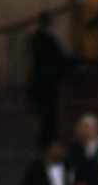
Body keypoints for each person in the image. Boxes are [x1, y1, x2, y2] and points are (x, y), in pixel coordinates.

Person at [27, 11, 71, 146]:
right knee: (49, 116)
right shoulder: (49, 39)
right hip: (48, 84)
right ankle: (47, 143)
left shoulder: (35, 38)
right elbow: (63, 60)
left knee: (42, 114)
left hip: (38, 82)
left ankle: (44, 141)